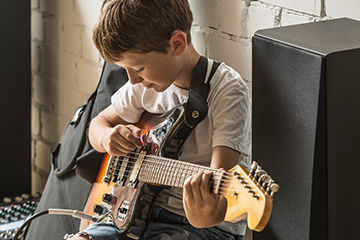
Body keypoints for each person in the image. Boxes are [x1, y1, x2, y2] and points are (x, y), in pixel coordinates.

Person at [66, 0, 251, 239]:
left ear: (177, 44)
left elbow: (221, 195)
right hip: (129, 213)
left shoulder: (226, 90)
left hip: (195, 225)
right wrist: (107, 138)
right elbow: (97, 126)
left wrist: (203, 215)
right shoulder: (143, 85)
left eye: (139, 68)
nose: (132, 80)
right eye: (126, 70)